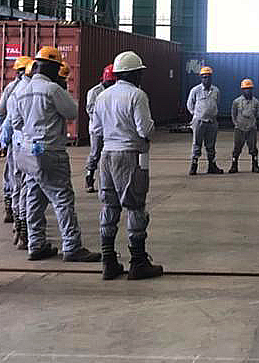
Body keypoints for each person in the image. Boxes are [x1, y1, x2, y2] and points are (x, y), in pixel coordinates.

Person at [9, 46, 100, 263]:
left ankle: (36, 244)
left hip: (28, 152)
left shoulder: (19, 91)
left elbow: (16, 123)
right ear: (50, 67)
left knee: (34, 199)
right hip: (50, 151)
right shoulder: (52, 90)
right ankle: (72, 246)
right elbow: (71, 113)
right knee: (62, 198)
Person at [89, 51, 163, 281]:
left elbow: (96, 130)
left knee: (109, 206)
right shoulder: (137, 95)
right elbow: (144, 129)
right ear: (132, 74)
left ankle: (108, 261)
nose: (141, 77)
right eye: (139, 73)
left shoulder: (102, 96)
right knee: (135, 206)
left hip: (107, 155)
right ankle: (138, 262)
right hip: (130, 155)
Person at [0, 55, 31, 223]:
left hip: (15, 138)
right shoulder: (19, 89)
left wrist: (4, 136)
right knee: (18, 179)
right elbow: (1, 115)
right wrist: (5, 135)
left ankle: (12, 211)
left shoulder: (13, 88)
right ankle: (16, 213)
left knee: (13, 176)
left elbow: (1, 115)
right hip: (20, 139)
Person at [83, 65, 116, 193]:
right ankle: (89, 176)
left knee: (109, 155)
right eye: (109, 82)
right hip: (97, 129)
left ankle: (108, 180)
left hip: (111, 129)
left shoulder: (114, 90)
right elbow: (90, 110)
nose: (111, 84)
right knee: (95, 153)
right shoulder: (95, 92)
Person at [187, 66, 222, 175]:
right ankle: (194, 166)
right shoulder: (195, 90)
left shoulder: (216, 90)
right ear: (201, 78)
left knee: (210, 145)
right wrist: (197, 115)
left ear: (211, 78)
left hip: (212, 122)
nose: (206, 79)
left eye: (208, 77)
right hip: (199, 122)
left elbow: (217, 103)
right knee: (197, 144)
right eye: (204, 77)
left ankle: (212, 166)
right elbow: (189, 105)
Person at [230, 79, 259, 173]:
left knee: (253, 148)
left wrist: (252, 123)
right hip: (239, 128)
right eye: (245, 89)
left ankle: (255, 165)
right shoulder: (236, 102)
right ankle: (234, 166)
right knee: (237, 148)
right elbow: (233, 114)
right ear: (242, 90)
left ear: (252, 89)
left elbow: (257, 114)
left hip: (251, 128)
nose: (247, 91)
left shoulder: (256, 102)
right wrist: (236, 124)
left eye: (249, 89)